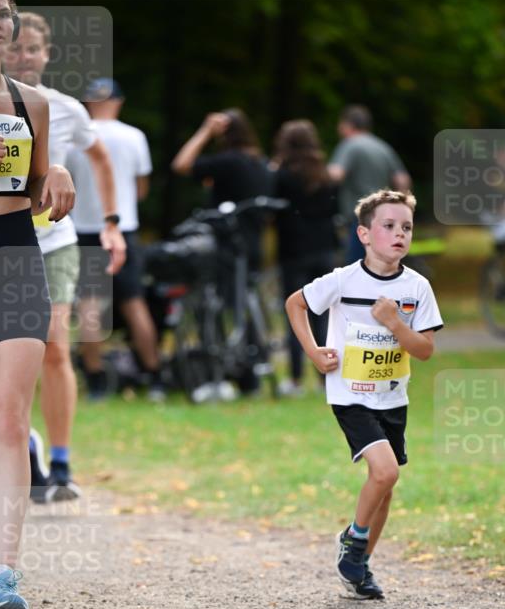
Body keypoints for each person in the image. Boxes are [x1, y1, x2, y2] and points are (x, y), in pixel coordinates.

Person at [0, 0, 75, 609]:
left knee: (9, 423)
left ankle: (3, 580)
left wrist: (53, 173)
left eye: (1, 13)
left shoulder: (32, 104)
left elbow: (30, 193)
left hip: (15, 258)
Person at [285, 189, 442, 599]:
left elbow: (424, 350)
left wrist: (395, 323)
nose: (399, 234)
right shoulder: (344, 280)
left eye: (406, 227)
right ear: (365, 234)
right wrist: (313, 353)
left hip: (392, 396)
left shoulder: (417, 287)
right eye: (388, 226)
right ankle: (354, 540)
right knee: (385, 471)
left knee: (385, 487)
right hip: (350, 393)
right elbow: (295, 304)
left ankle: (358, 567)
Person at [3, 12, 126, 501]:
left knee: (54, 344)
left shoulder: (67, 110)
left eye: (32, 49)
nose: (23, 57)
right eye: (14, 49)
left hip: (53, 241)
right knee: (3, 358)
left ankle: (59, 462)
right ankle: (22, 442)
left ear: (47, 54)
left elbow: (98, 158)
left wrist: (112, 221)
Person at [65, 77, 164, 401]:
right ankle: (154, 376)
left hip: (85, 229)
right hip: (123, 228)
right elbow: (141, 189)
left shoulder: (73, 139)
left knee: (90, 307)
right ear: (118, 102)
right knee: (134, 303)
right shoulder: (134, 136)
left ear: (88, 103)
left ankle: (95, 380)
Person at [271, 119, 337, 395]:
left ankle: (296, 378)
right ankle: (326, 377)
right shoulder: (325, 174)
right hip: (324, 248)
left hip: (294, 250)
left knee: (296, 315)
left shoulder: (282, 176)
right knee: (323, 316)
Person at [171, 108, 271, 271]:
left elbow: (181, 164)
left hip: (225, 245)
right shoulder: (261, 163)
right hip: (253, 243)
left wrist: (206, 131)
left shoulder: (229, 161)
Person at [329, 105, 411, 263]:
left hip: (359, 218)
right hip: (383, 218)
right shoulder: (382, 147)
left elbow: (336, 174)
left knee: (356, 268)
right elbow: (403, 180)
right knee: (378, 266)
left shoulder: (350, 144)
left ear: (348, 125)